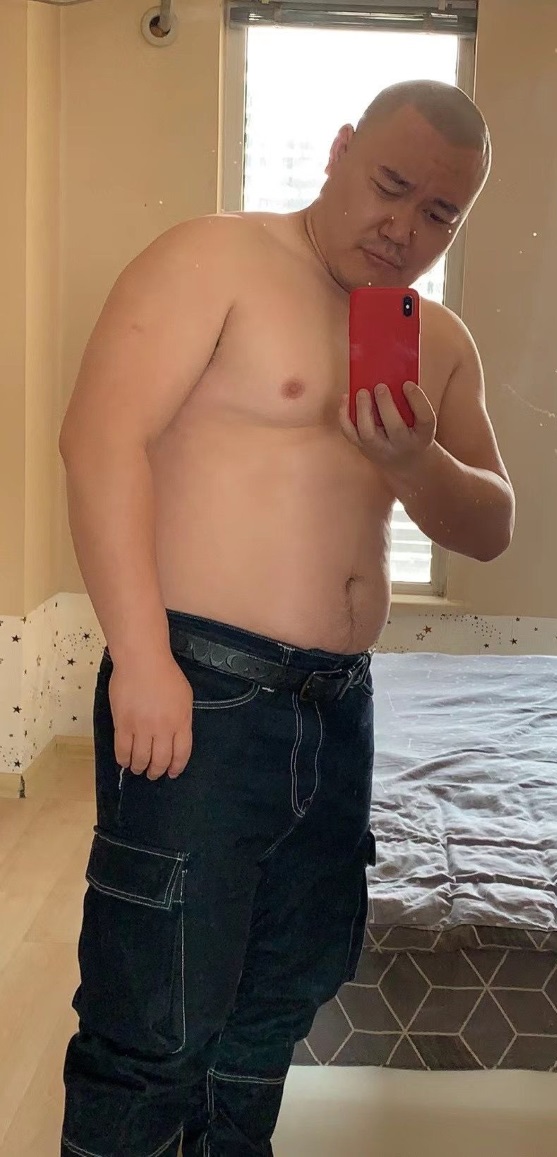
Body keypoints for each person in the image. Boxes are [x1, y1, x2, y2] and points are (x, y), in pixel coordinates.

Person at [58, 79, 514, 1156]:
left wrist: (414, 461)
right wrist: (142, 659)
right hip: (205, 685)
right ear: (341, 147)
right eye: (389, 186)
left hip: (337, 709)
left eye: (439, 214)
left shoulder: (439, 340)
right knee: (154, 1015)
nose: (402, 228)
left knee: (272, 1008)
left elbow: (492, 523)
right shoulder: (215, 257)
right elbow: (99, 439)